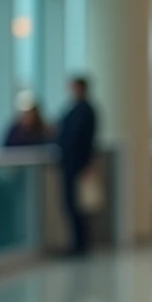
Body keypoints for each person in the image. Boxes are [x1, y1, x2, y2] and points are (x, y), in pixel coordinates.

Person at [57, 77, 98, 257]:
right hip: (70, 163)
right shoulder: (74, 110)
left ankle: (81, 244)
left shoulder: (86, 111)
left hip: (78, 164)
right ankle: (78, 243)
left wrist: (88, 163)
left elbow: (87, 140)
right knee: (72, 205)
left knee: (78, 206)